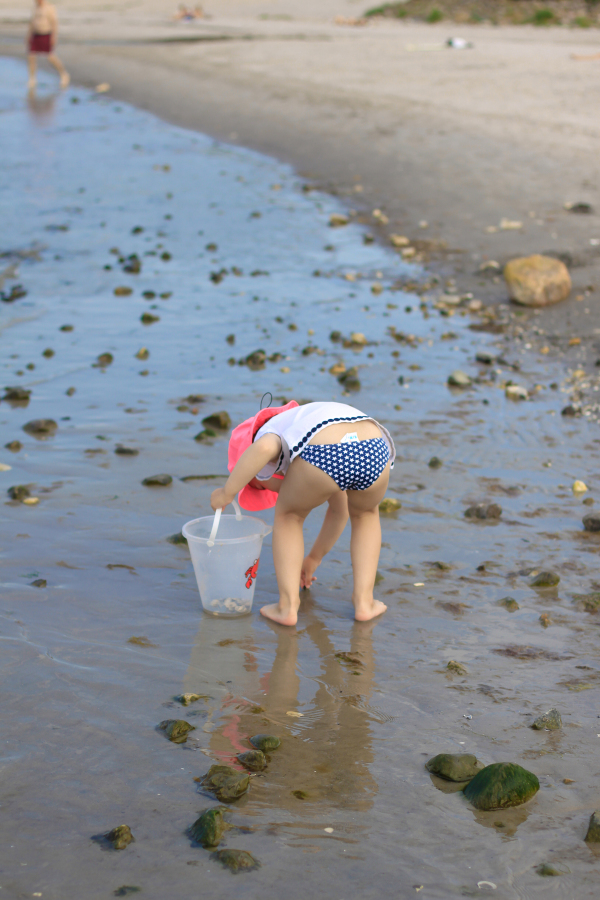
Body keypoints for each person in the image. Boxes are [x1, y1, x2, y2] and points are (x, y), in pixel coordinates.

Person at [210, 400, 395, 626]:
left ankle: (287, 607)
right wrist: (313, 559)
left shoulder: (266, 433)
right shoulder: (301, 426)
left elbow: (263, 449)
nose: (268, 486)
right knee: (366, 514)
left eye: (257, 482)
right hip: (374, 445)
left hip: (325, 452)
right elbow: (339, 511)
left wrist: (227, 491)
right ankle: (365, 602)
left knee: (289, 517)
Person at [27, 0, 70, 90]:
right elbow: (32, 22)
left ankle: (63, 74)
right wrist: (29, 35)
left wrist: (53, 36)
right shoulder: (35, 8)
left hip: (46, 34)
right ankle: (32, 79)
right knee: (31, 56)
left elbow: (54, 23)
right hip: (35, 34)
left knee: (50, 56)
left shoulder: (49, 8)